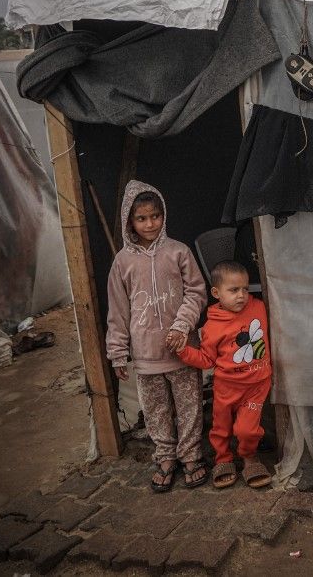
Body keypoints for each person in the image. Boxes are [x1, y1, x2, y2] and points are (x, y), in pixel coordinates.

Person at [106, 181, 208, 492]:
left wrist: (182, 326)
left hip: (182, 350)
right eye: (142, 218)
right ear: (129, 221)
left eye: (155, 216)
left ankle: (191, 456)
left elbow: (197, 292)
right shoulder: (122, 262)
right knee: (155, 409)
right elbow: (118, 311)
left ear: (164, 216)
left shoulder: (178, 251)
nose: (150, 224)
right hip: (146, 353)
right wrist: (117, 352)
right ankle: (165, 457)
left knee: (190, 405)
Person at [177, 260, 273, 488]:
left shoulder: (258, 307)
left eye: (245, 289)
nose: (241, 295)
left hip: (255, 385)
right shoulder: (212, 327)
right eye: (233, 290)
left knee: (247, 430)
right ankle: (223, 459)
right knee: (220, 428)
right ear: (216, 293)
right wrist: (183, 351)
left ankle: (249, 457)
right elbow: (207, 360)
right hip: (226, 387)